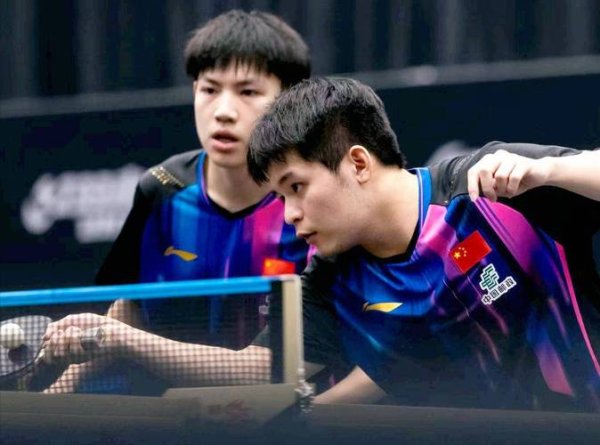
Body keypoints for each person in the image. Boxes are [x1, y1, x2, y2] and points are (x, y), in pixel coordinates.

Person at [245, 77, 600, 411]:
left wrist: (550, 172)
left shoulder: (486, 185)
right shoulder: (334, 280)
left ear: (358, 163)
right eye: (281, 197)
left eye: (296, 187)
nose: (289, 215)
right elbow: (261, 367)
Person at [42, 10, 312, 394]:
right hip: (169, 410)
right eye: (209, 89)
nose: (223, 112)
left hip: (280, 409)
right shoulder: (161, 189)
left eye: (248, 92)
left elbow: (282, 364)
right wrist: (58, 392)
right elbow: (132, 306)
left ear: (289, 101)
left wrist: (117, 336)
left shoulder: (309, 204)